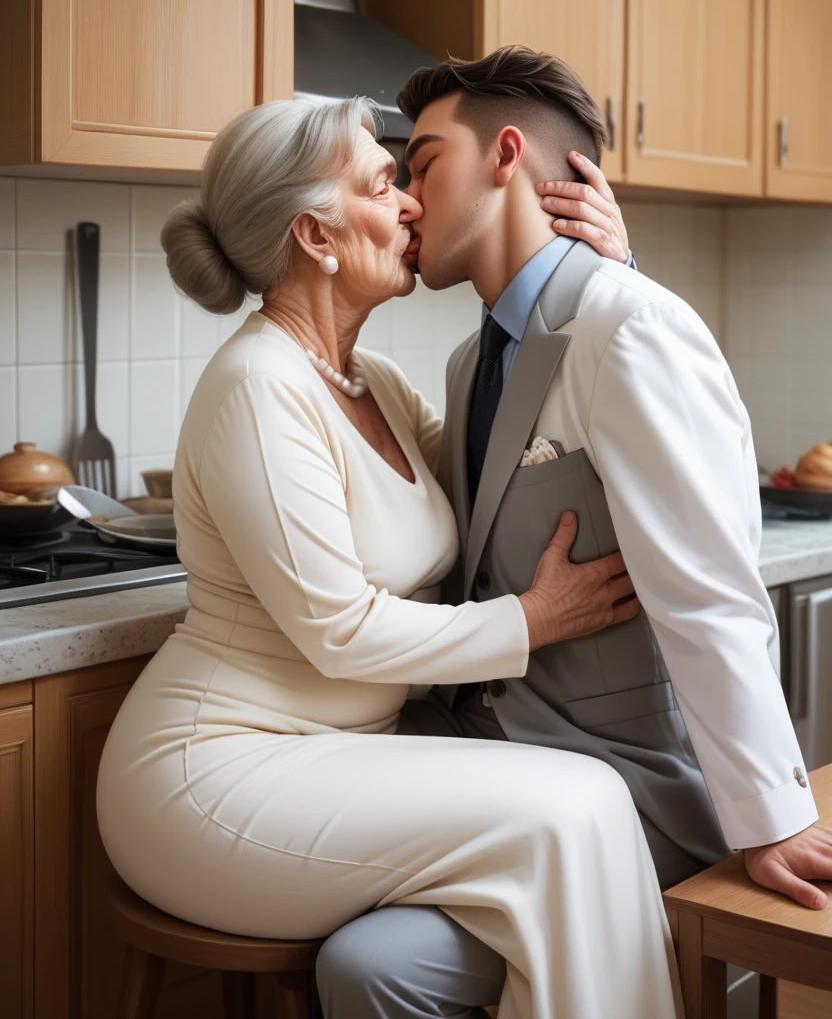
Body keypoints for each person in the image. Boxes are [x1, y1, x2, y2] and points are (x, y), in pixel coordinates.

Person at [95, 94, 683, 1019]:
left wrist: (608, 277)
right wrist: (531, 621)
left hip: (333, 754)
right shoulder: (258, 386)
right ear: (315, 236)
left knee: (589, 804)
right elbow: (340, 632)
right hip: (216, 780)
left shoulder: (379, 384)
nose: (412, 201)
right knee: (577, 808)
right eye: (384, 183)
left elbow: (520, 452)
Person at [316, 45, 832, 1019]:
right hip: (494, 763)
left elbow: (707, 594)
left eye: (421, 163)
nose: (409, 198)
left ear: (506, 154)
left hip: (624, 788)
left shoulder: (627, 327)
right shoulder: (473, 362)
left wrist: (766, 823)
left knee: (368, 965)